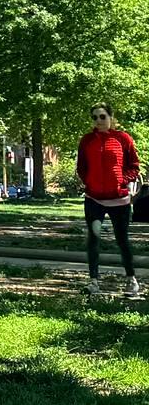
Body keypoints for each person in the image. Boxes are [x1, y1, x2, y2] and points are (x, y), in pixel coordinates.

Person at [76, 103, 141, 298]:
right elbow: (82, 167)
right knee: (93, 239)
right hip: (94, 199)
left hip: (119, 200)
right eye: (95, 117)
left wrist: (122, 181)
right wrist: (89, 182)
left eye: (102, 117)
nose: (98, 121)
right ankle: (94, 282)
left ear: (111, 118)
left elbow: (134, 166)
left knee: (122, 240)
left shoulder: (123, 139)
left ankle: (131, 281)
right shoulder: (87, 140)